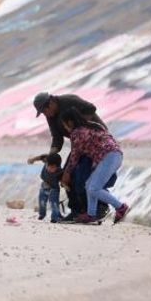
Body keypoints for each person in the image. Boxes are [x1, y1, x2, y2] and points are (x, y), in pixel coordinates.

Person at [32, 92, 115, 221]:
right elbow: (57, 139)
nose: (45, 115)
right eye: (43, 113)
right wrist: (51, 158)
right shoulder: (51, 116)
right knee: (66, 176)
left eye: (45, 111)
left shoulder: (70, 100)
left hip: (95, 143)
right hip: (79, 144)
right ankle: (77, 211)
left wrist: (80, 125)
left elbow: (91, 109)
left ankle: (100, 209)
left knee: (84, 175)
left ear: (52, 102)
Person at [60, 108, 130, 224]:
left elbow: (74, 157)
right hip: (114, 155)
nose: (64, 128)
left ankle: (121, 207)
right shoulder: (93, 125)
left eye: (64, 124)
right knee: (89, 186)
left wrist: (67, 173)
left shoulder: (77, 133)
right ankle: (91, 214)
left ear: (70, 122)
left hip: (108, 156)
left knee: (94, 188)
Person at [27, 153, 63, 223]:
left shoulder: (60, 172)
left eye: (53, 168)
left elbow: (64, 180)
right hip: (44, 185)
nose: (50, 169)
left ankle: (55, 217)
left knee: (54, 203)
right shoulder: (47, 159)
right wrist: (33, 159)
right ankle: (42, 214)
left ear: (57, 167)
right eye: (48, 166)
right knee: (42, 201)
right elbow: (41, 157)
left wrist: (65, 185)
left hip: (54, 189)